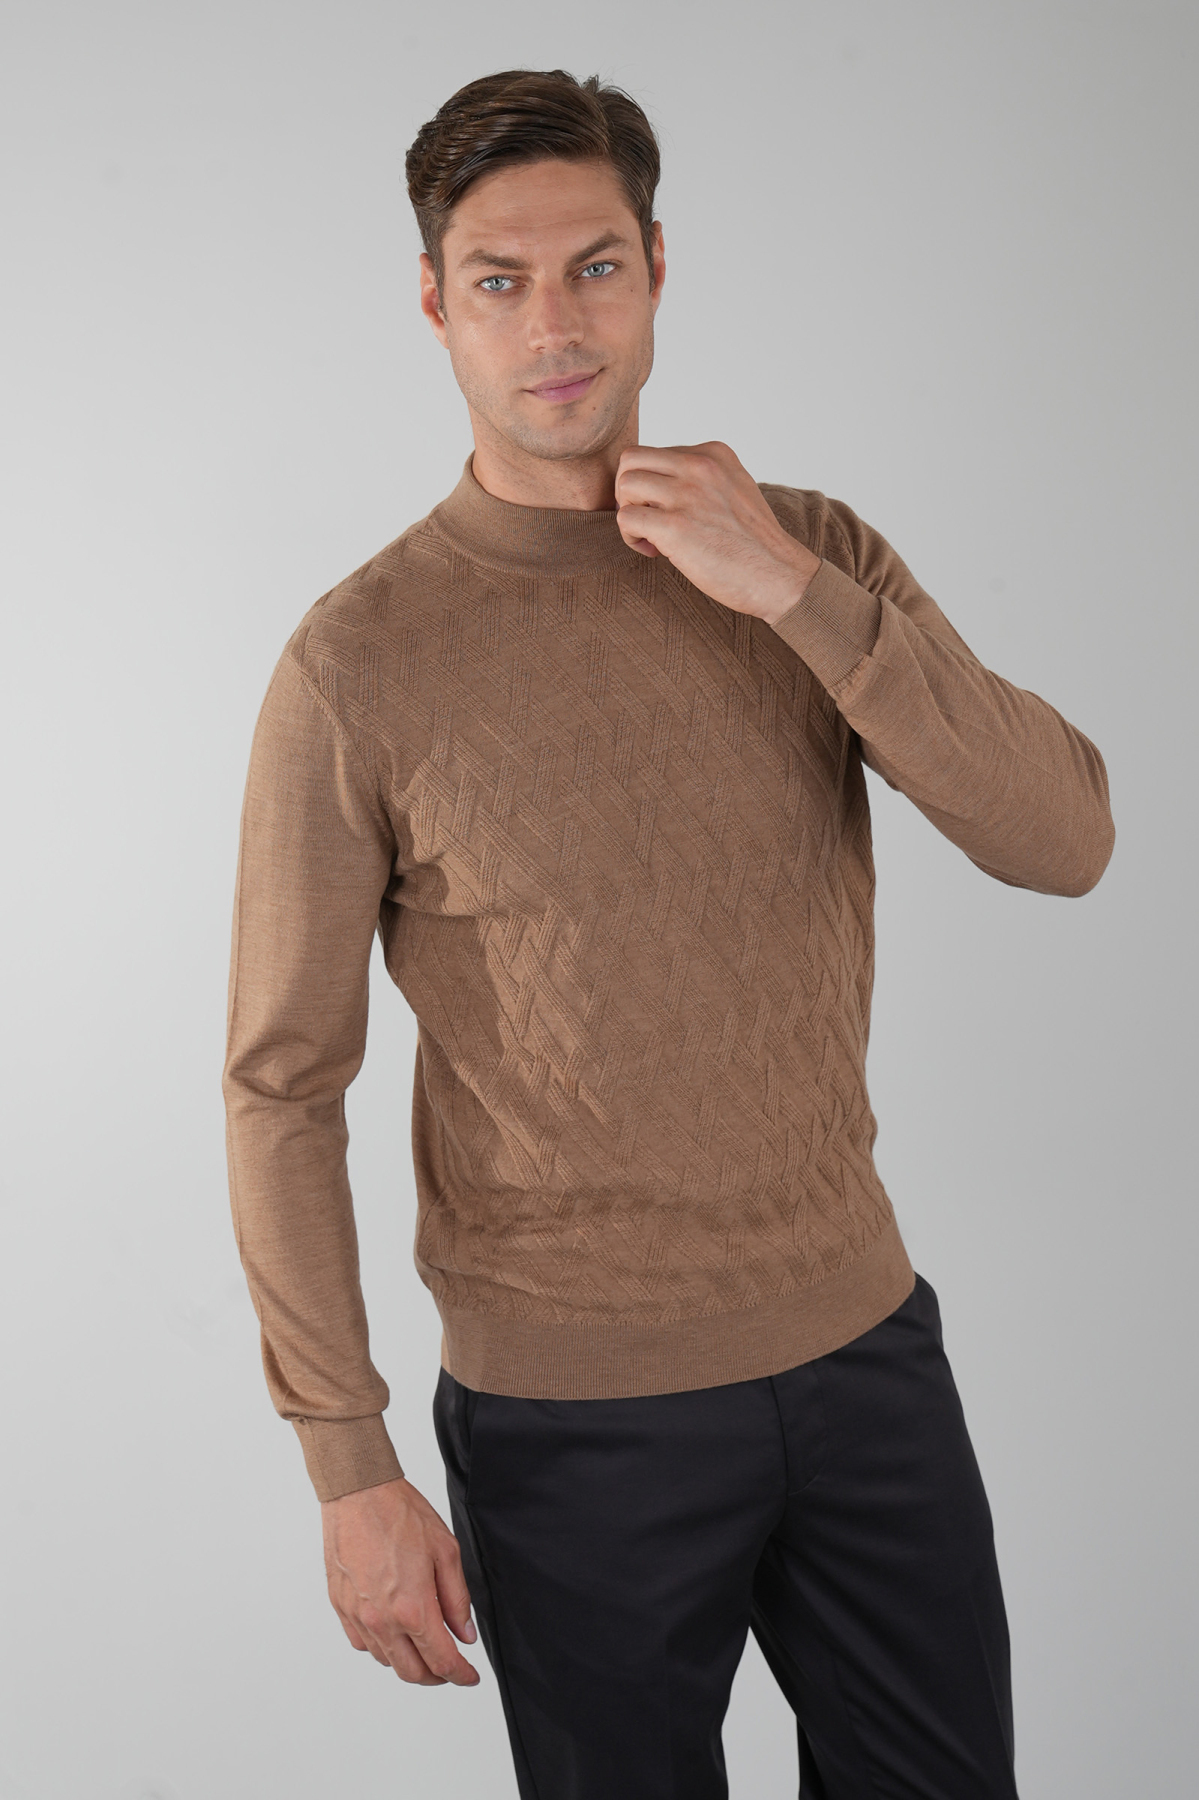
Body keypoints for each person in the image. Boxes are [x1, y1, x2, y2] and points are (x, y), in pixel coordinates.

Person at [222, 67, 1114, 1800]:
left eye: (596, 268)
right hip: (571, 1419)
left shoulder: (810, 554)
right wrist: (349, 1463)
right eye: (500, 280)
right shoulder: (359, 661)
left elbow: (1065, 840)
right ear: (436, 306)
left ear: (654, 270)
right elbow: (281, 1085)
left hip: (866, 1354)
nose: (555, 326)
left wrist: (790, 591)